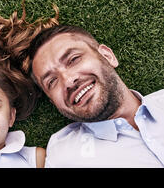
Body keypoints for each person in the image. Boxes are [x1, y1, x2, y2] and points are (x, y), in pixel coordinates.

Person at [26, 25, 164, 167]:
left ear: (107, 56)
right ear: (53, 102)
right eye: (52, 81)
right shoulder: (64, 157)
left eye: (73, 59)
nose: (68, 81)